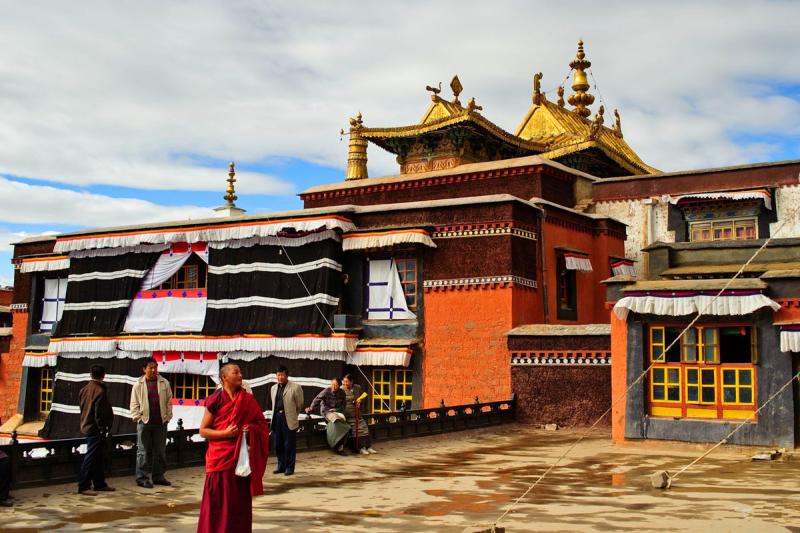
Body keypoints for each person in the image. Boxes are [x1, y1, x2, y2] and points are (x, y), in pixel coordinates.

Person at [197, 363, 269, 533]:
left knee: (238, 504)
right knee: (218, 503)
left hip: (240, 461)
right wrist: (225, 434)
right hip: (219, 459)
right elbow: (203, 431)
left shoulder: (248, 400)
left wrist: (250, 429)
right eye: (236, 372)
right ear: (224, 378)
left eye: (240, 372)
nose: (240, 375)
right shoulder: (215, 400)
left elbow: (262, 425)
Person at [130, 357, 173, 488]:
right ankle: (142, 477)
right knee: (143, 451)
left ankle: (158, 476)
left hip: (160, 422)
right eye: (151, 368)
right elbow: (134, 404)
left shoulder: (164, 383)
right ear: (144, 369)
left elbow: (169, 402)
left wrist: (168, 416)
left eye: (155, 367)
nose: (154, 370)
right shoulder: (138, 384)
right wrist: (138, 417)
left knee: (160, 451)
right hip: (145, 422)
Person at [77, 364, 115, 495]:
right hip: (95, 428)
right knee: (91, 456)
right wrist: (102, 428)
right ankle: (83, 485)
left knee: (97, 456)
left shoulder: (84, 389)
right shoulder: (99, 391)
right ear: (103, 375)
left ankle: (99, 483)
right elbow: (99, 413)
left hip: (86, 425)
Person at [269, 365, 304, 476]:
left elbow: (300, 404)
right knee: (278, 444)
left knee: (289, 444)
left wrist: (293, 414)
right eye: (278, 375)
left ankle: (289, 467)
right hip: (277, 418)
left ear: (287, 375)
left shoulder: (295, 387)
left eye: (282, 375)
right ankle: (281, 466)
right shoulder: (273, 388)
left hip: (288, 417)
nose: (280, 377)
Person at [307, 377, 349, 455]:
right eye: (332, 384)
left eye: (336, 385)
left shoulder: (342, 393)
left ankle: (340, 446)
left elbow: (344, 405)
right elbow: (317, 399)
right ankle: (336, 445)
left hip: (337, 411)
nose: (333, 386)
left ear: (339, 386)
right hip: (327, 411)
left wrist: (336, 410)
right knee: (336, 420)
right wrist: (311, 408)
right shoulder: (326, 391)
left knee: (344, 424)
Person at [342, 374, 377, 455]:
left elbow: (363, 395)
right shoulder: (341, 389)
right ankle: (360, 448)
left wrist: (360, 400)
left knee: (365, 429)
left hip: (358, 413)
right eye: (344, 382)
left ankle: (368, 446)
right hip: (348, 414)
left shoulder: (357, 387)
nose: (345, 383)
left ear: (351, 381)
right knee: (356, 431)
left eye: (347, 382)